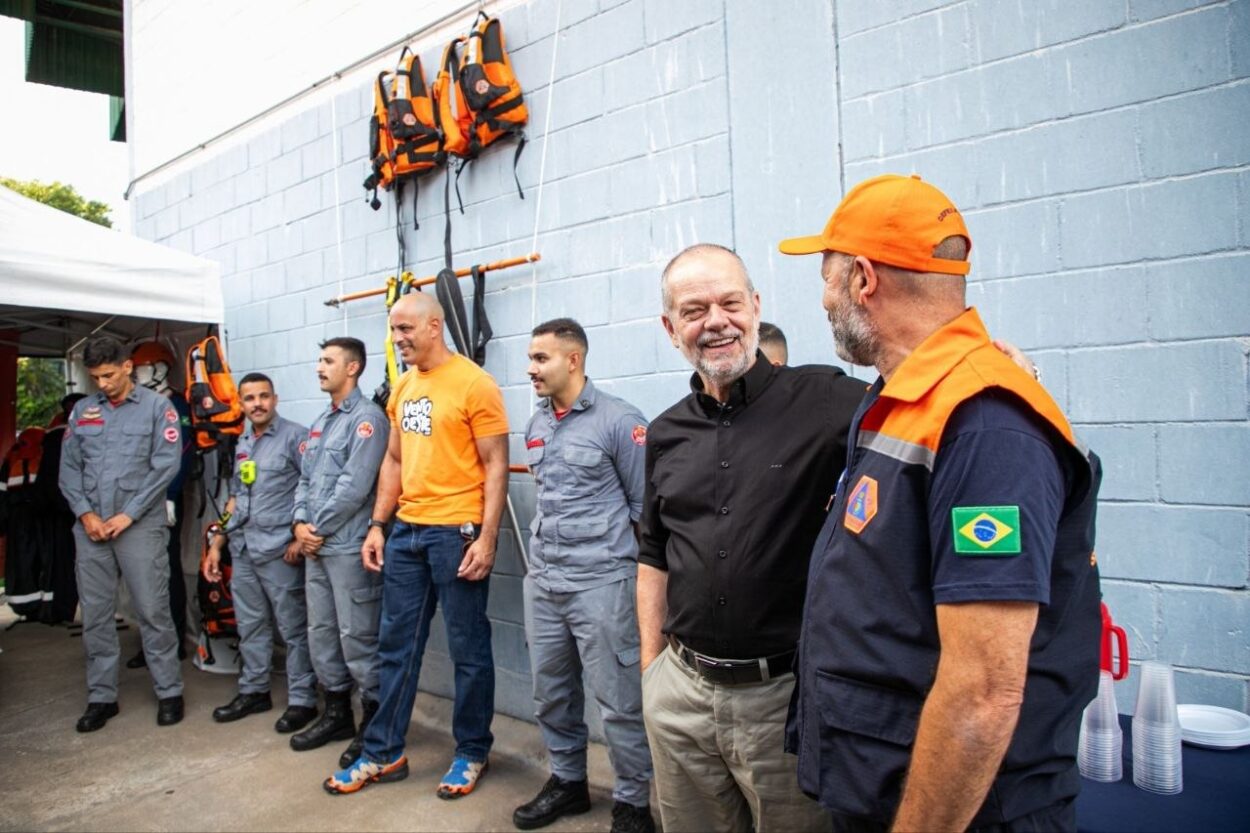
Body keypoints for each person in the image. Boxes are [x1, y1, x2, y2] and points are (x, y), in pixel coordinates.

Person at [778, 173, 1102, 832]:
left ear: (862, 279)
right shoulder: (905, 397)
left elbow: (982, 691)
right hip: (884, 781)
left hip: (960, 809)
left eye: (826, 276)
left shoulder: (986, 423)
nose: (823, 298)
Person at [636, 244, 864, 832]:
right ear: (671, 328)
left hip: (783, 701)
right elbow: (653, 553)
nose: (716, 321)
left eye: (730, 303)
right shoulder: (665, 432)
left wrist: (1001, 372)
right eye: (694, 311)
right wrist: (651, 673)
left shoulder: (827, 401)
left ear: (755, 308)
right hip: (680, 696)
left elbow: (929, 406)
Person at [324, 292, 508, 799]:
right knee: (396, 645)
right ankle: (384, 751)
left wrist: (487, 537)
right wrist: (378, 524)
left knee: (468, 647)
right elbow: (394, 461)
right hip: (407, 531)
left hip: (456, 532)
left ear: (434, 326)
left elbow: (496, 465)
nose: (397, 338)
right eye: (393, 330)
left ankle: (472, 751)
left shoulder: (475, 383)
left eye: (405, 329)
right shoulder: (403, 386)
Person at [510, 318, 656, 833]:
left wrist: (637, 585)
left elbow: (644, 510)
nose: (531, 369)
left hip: (602, 584)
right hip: (544, 582)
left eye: (540, 358)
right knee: (551, 693)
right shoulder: (537, 424)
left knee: (619, 703)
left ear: (573, 360)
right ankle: (568, 782)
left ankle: (633, 804)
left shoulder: (620, 421)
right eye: (530, 358)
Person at [58, 335, 185, 731]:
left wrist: (128, 515)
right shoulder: (83, 412)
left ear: (128, 367)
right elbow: (68, 470)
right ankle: (102, 697)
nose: (103, 384)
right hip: (91, 529)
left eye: (109, 375)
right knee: (96, 615)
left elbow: (165, 466)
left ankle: (169, 691)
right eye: (96, 377)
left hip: (139, 526)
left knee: (152, 610)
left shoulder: (157, 408)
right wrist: (85, 514)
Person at [290, 337, 389, 758]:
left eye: (328, 361)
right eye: (319, 360)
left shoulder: (368, 420)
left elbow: (355, 485)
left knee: (358, 638)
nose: (319, 367)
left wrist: (315, 529)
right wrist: (299, 524)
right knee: (322, 634)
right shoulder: (321, 422)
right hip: (317, 548)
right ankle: (336, 714)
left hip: (347, 548)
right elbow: (304, 479)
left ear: (353, 368)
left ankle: (375, 724)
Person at [203, 372, 318, 733]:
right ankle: (254, 690)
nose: (257, 404)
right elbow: (235, 497)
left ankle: (302, 700)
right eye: (250, 398)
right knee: (250, 625)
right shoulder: (242, 442)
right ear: (240, 404)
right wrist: (217, 542)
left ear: (275, 399)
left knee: (294, 628)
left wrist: (300, 537)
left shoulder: (295, 437)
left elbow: (313, 488)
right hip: (243, 548)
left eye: (264, 396)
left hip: (280, 550)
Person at [126, 341, 193, 667]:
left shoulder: (175, 405)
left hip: (164, 499)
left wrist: (169, 496)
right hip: (137, 502)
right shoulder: (138, 406)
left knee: (167, 572)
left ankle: (174, 641)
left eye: (141, 368)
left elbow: (182, 453)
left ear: (160, 369)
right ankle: (152, 642)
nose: (136, 375)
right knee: (145, 574)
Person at [33, 393, 87, 624]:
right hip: (76, 509)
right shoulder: (75, 433)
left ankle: (61, 610)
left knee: (63, 561)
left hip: (60, 508)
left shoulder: (53, 435)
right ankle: (68, 610)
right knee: (78, 562)